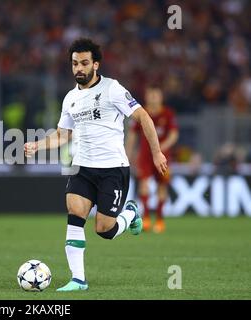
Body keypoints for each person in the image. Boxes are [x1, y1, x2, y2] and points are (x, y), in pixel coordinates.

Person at [24, 38, 167, 291]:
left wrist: (156, 153)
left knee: (104, 229)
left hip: (113, 169)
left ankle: (131, 213)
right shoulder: (70, 99)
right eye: (74, 63)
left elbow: (143, 117)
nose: (79, 68)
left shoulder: (113, 89)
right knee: (75, 214)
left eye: (84, 63)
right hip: (83, 168)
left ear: (96, 65)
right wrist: (37, 145)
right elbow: (63, 134)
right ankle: (78, 280)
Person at [126, 87, 179, 233]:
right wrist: (128, 154)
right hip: (145, 156)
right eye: (151, 95)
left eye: (156, 95)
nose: (154, 98)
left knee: (162, 186)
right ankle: (147, 218)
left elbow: (174, 134)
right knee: (144, 184)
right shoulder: (141, 113)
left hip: (163, 156)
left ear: (161, 97)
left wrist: (161, 147)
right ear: (147, 97)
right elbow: (132, 135)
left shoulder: (168, 114)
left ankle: (160, 220)